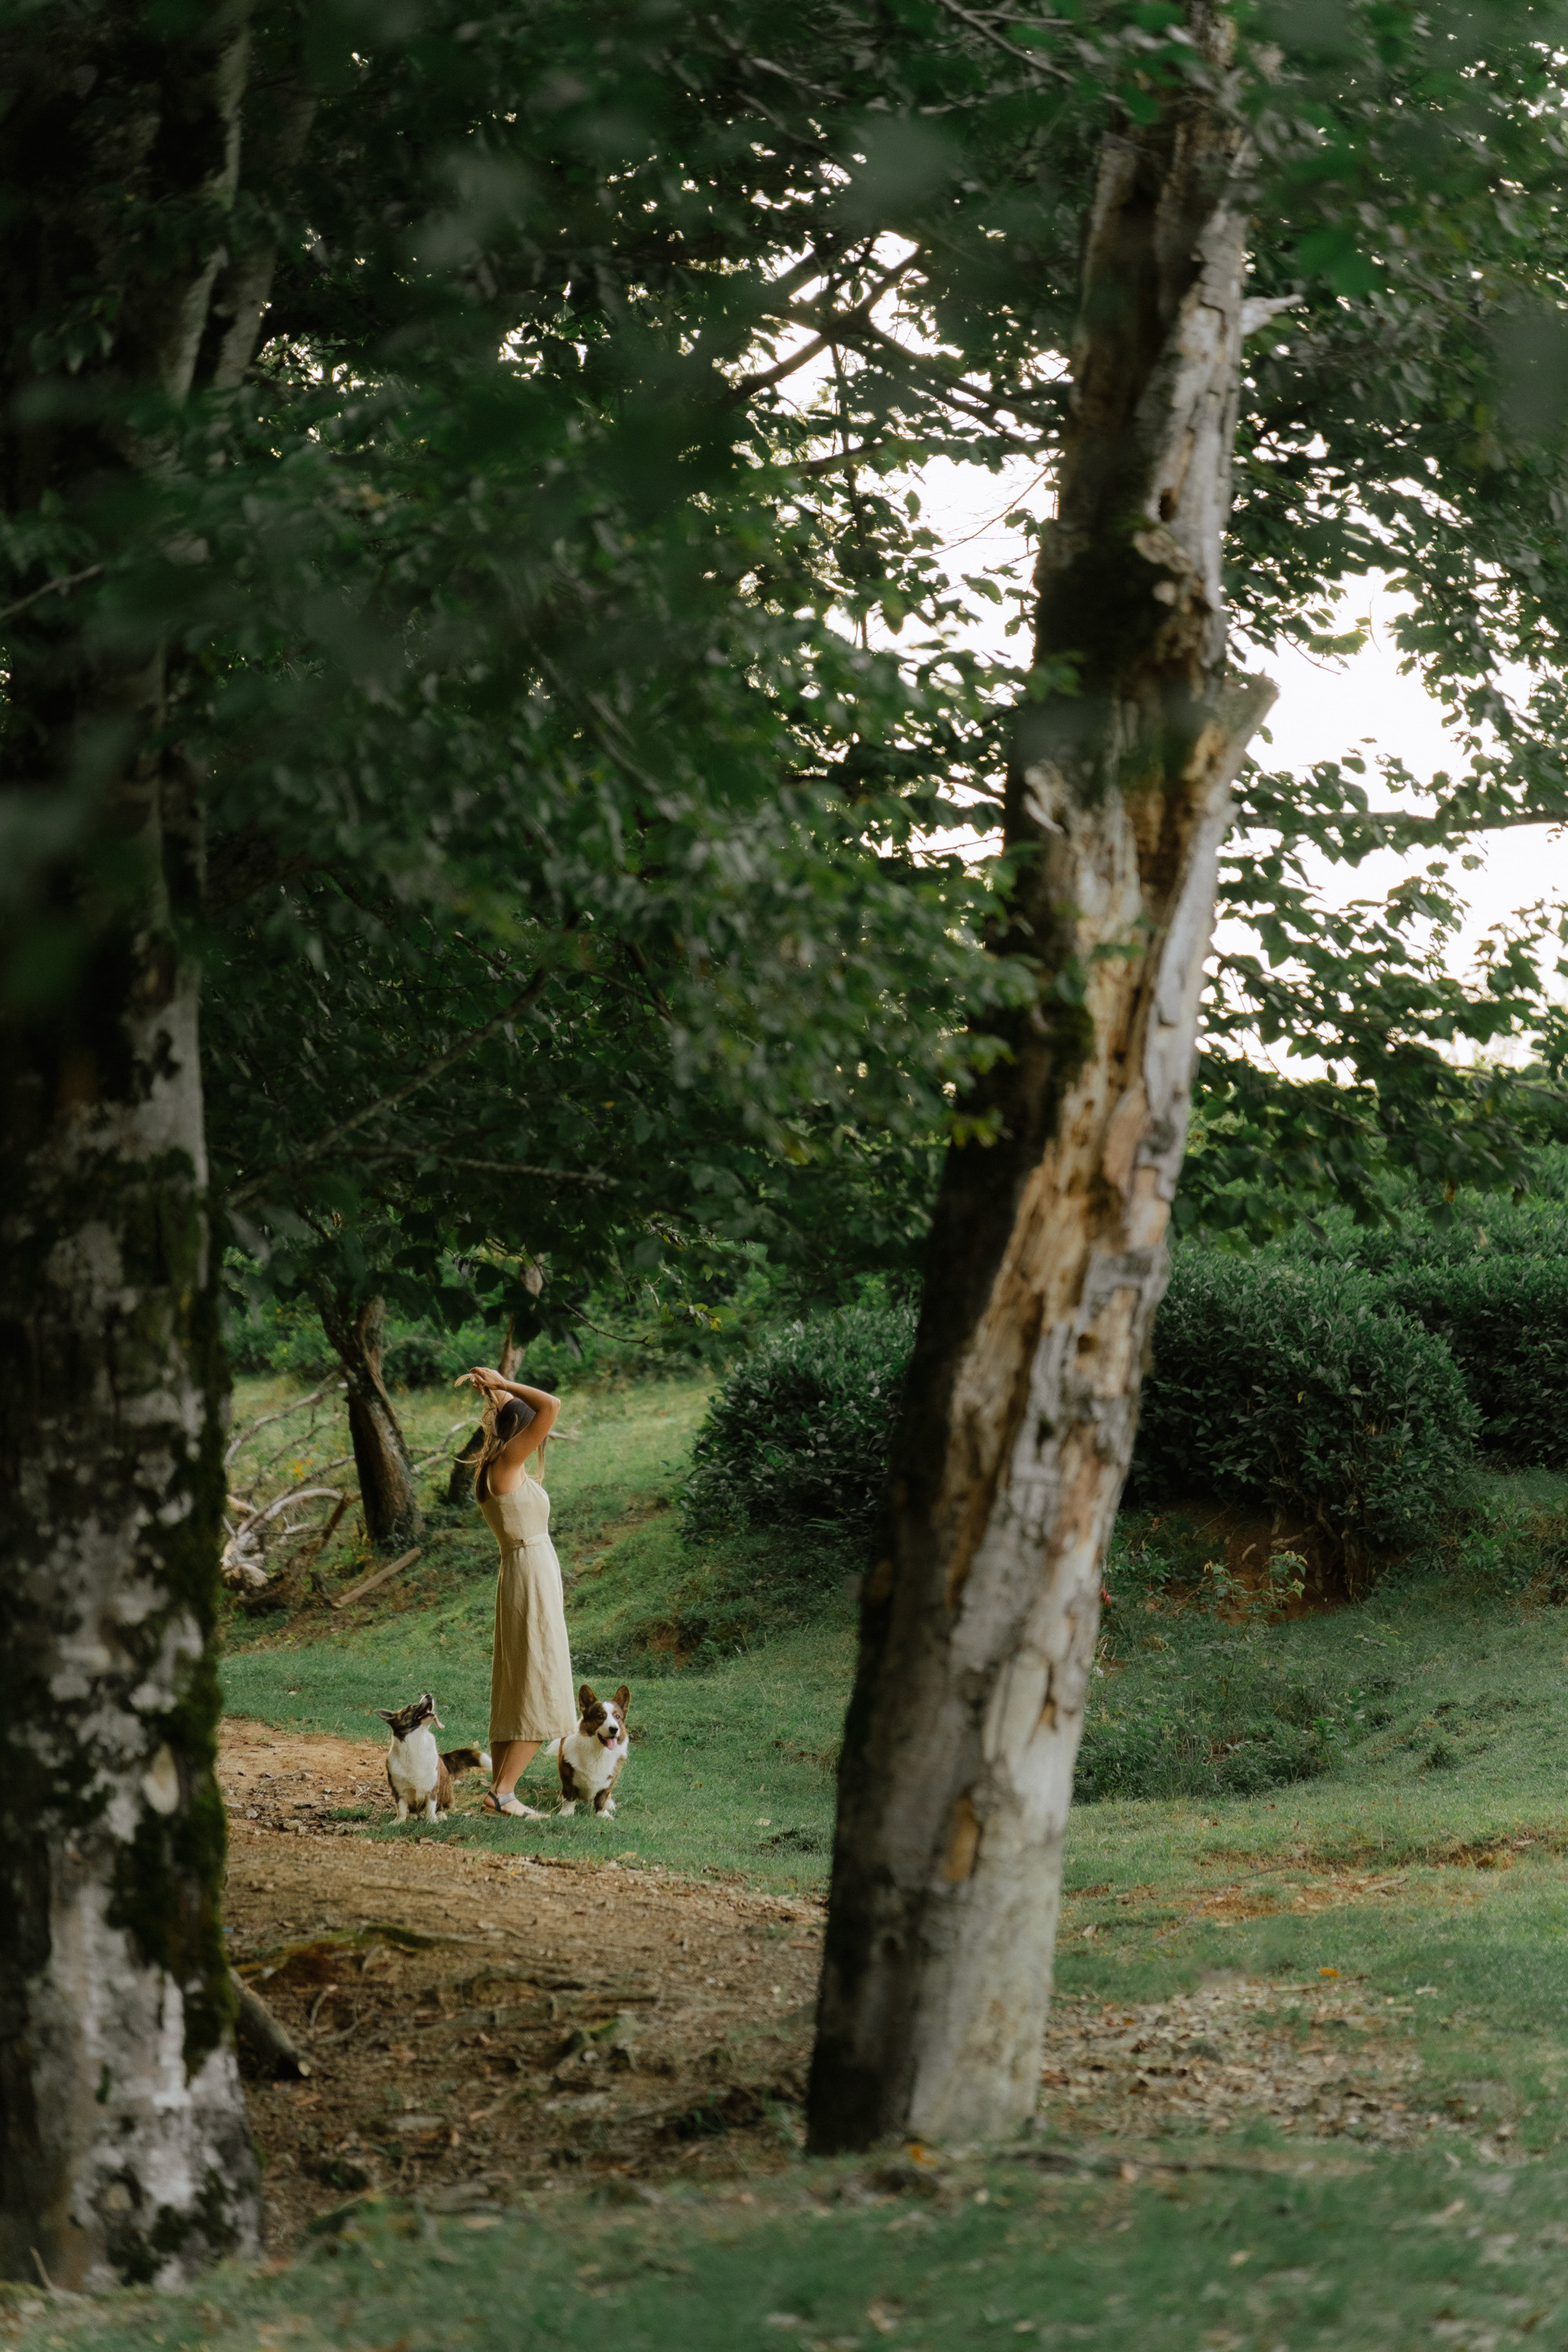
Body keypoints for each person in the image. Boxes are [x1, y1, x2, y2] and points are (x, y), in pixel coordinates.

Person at [459, 1364, 578, 1818]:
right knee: (540, 1679)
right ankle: (502, 1792)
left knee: (515, 1681)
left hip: (522, 1570)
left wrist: (494, 1393)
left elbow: (523, 1412)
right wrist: (504, 1386)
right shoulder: (506, 1464)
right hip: (529, 1572)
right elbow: (552, 1405)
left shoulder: (497, 1467)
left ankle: (499, 1790)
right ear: (521, 1431)